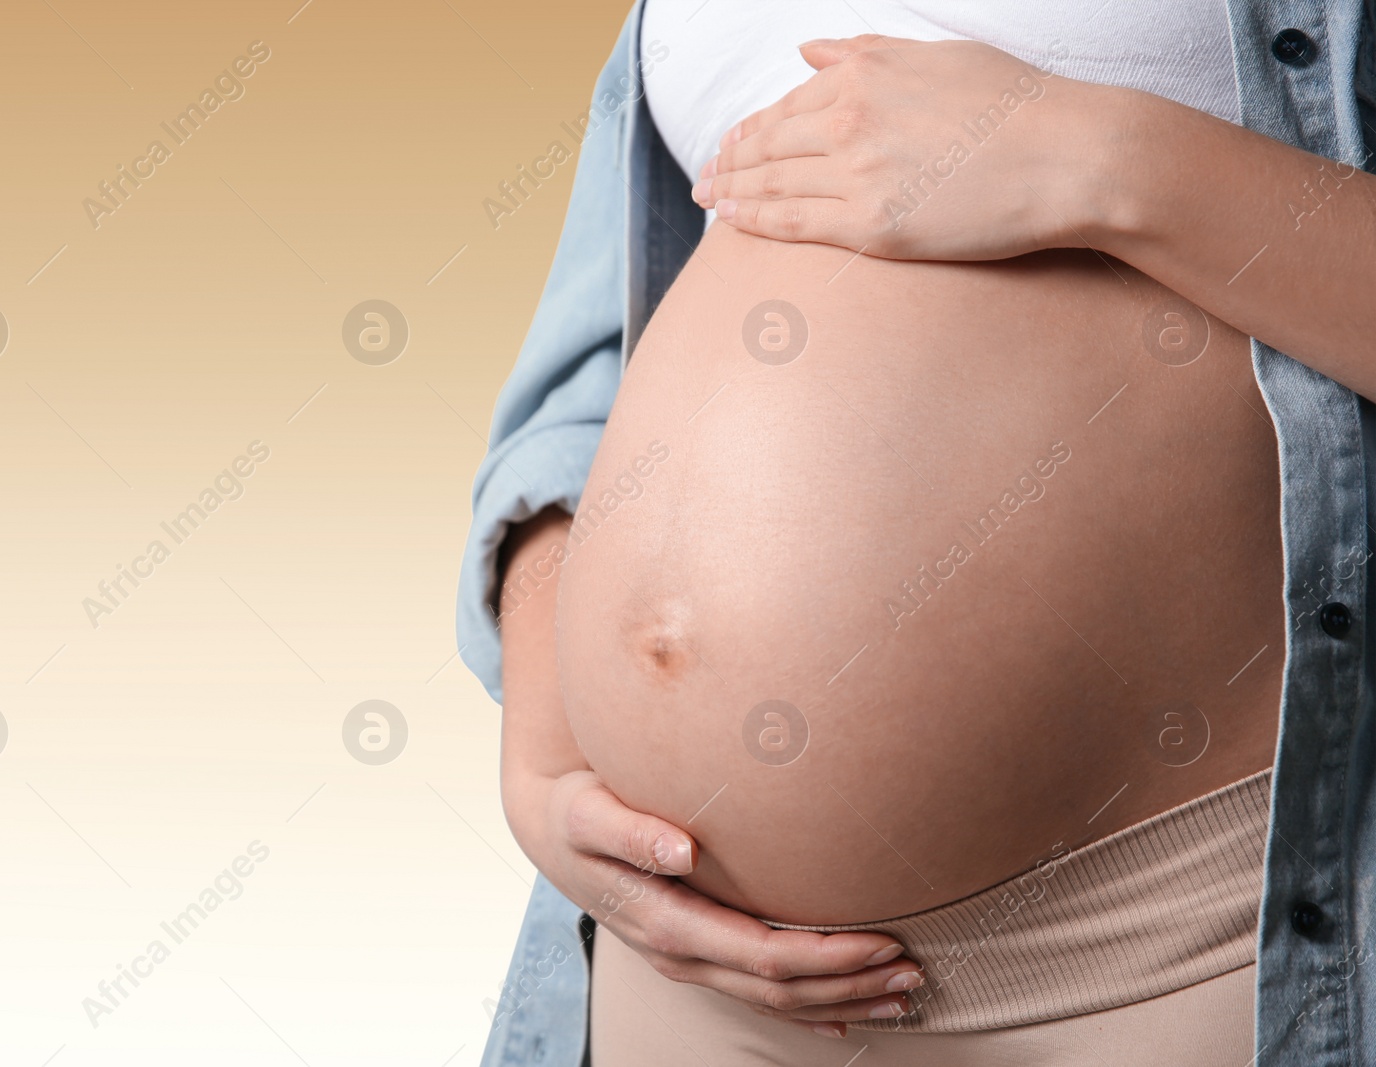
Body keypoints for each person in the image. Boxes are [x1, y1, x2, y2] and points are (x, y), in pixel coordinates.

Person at [459, 2, 1376, 1065]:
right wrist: (542, 746)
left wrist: (1117, 162)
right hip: (684, 963)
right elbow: (589, 375)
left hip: (1175, 938)